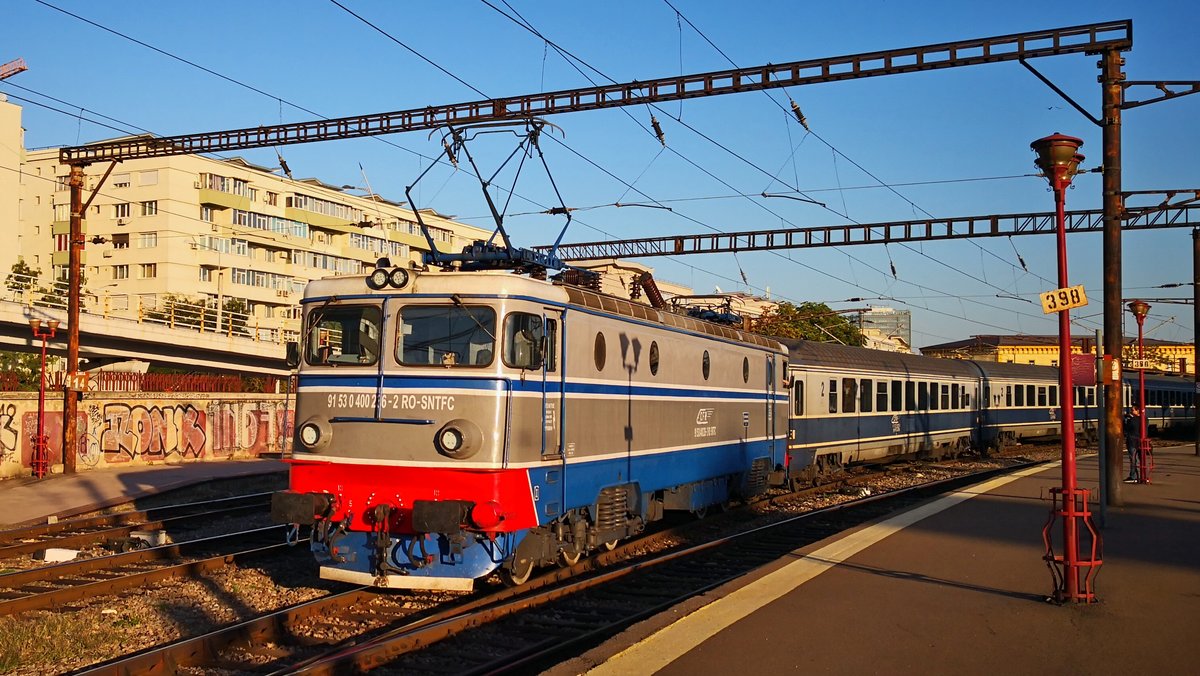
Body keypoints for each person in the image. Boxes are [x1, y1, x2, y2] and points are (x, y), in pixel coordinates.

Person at [1123, 405, 1141, 483]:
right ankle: (1138, 475)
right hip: (1139, 441)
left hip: (1132, 441)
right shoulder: (1144, 419)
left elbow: (1127, 428)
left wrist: (1127, 419)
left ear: (1138, 411)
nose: (1131, 411)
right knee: (1138, 459)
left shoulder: (1132, 420)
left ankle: (1133, 476)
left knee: (1133, 459)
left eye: (1133, 410)